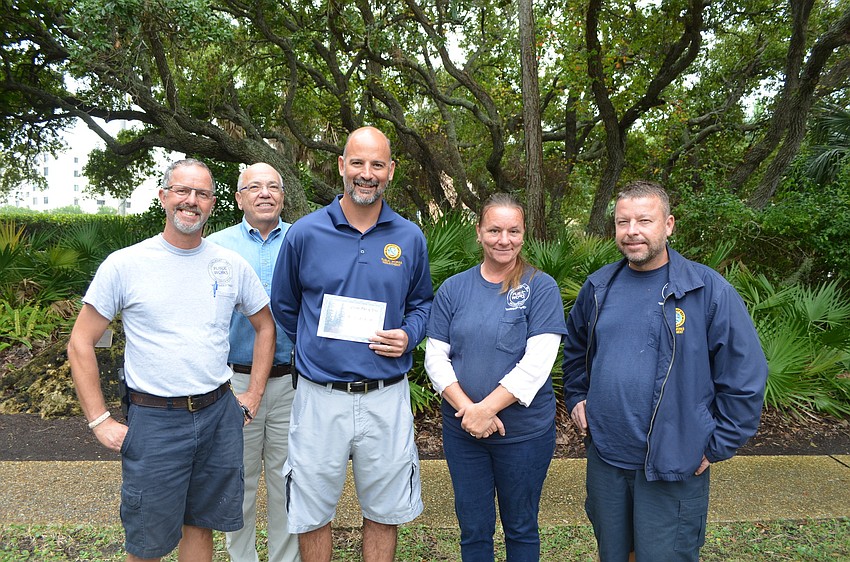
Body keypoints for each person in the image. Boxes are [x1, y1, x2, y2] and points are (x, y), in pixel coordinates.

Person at [67, 158, 276, 562]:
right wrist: (99, 419)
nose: (191, 201)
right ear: (164, 197)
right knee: (148, 541)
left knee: (200, 525)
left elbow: (265, 326)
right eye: (182, 191)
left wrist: (253, 394)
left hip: (218, 414)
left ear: (213, 203)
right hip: (156, 421)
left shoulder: (230, 265)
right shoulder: (126, 264)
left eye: (201, 193)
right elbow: (81, 342)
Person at [562, 180, 768, 562]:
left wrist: (717, 443)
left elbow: (746, 376)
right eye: (623, 222)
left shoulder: (707, 291)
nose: (633, 231)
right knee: (613, 553)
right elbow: (575, 350)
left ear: (668, 225)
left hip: (674, 463)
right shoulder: (599, 287)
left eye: (645, 220)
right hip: (608, 459)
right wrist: (576, 396)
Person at [270, 126, 433, 562]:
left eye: (377, 164)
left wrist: (409, 334)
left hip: (385, 396)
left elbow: (422, 305)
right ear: (342, 166)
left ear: (390, 171)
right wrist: (318, 346)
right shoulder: (305, 234)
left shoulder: (409, 237)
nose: (366, 173)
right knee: (311, 511)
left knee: (384, 510)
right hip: (319, 397)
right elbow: (284, 306)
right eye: (357, 163)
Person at [424, 193, 567, 561]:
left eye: (513, 231)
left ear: (523, 234)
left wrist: (485, 410)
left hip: (524, 436)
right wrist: (469, 411)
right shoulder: (454, 288)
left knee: (521, 526)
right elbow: (435, 357)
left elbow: (538, 363)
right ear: (479, 233)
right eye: (494, 229)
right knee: (473, 528)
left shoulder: (542, 287)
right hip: (463, 433)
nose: (504, 239)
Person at [207, 163, 300, 562]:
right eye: (254, 187)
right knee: (237, 484)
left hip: (293, 386)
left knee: (289, 486)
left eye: (273, 186)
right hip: (234, 386)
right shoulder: (215, 246)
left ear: (283, 195)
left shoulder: (304, 239)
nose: (265, 193)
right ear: (238, 197)